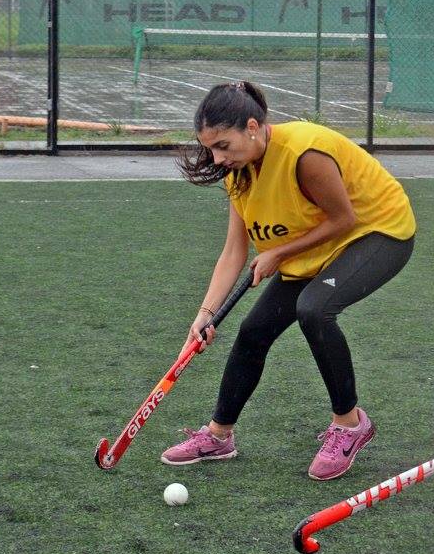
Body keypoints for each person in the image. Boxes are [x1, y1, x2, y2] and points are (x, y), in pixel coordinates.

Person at [162, 81, 416, 481]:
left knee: (314, 309)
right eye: (210, 147)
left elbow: (343, 220)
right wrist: (204, 316)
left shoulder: (304, 153)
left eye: (223, 146)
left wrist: (279, 253)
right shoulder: (239, 172)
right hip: (318, 244)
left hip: (378, 233)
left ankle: (350, 424)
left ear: (252, 126)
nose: (216, 157)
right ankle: (218, 436)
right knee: (253, 331)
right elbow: (234, 252)